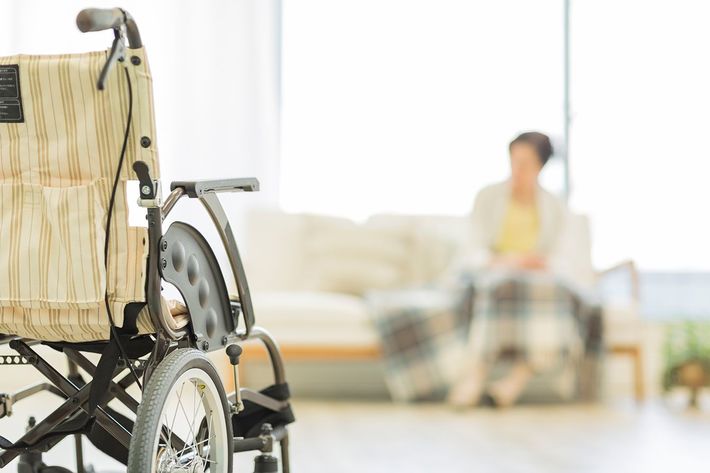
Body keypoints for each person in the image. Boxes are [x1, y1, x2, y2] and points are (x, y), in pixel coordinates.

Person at [447, 131, 587, 408]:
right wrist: (510, 262)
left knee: (553, 293)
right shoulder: (487, 197)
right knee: (498, 286)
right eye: (514, 161)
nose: (517, 170)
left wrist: (537, 264)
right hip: (494, 273)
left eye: (525, 163)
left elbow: (562, 257)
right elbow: (473, 251)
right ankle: (476, 374)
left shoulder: (555, 207)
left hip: (537, 280)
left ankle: (514, 382)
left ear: (540, 167)